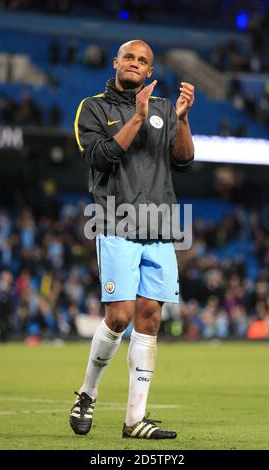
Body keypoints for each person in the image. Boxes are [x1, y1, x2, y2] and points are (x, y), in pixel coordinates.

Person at [70, 39, 195, 439]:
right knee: (120, 316)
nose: (136, 63)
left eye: (143, 60)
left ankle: (134, 420)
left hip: (160, 226)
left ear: (149, 70)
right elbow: (99, 157)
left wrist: (183, 119)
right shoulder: (92, 108)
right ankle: (86, 395)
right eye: (130, 57)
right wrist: (137, 118)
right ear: (116, 62)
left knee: (151, 317)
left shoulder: (163, 108)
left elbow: (184, 160)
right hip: (116, 222)